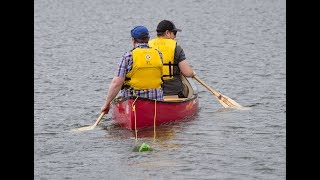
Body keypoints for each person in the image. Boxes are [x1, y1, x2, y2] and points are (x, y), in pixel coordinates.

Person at [101, 26, 164, 114]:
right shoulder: (159, 54)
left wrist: (107, 104)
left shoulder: (128, 56)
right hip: (156, 101)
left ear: (133, 40)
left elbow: (117, 83)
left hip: (134, 102)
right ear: (148, 39)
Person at [148, 20, 196, 98]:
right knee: (187, 90)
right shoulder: (176, 48)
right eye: (174, 33)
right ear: (167, 33)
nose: (175, 36)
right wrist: (192, 73)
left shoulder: (147, 47)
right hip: (173, 92)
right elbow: (187, 73)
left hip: (152, 92)